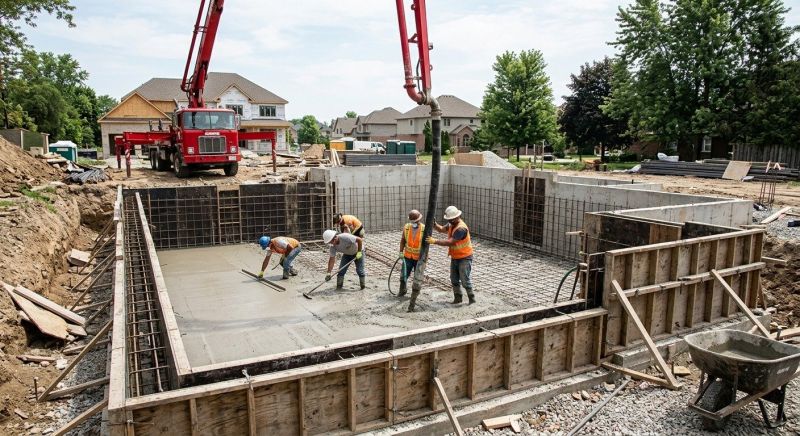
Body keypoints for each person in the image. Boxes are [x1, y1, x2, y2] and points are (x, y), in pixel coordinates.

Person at [426, 205, 475, 305]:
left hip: (465, 257)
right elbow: (441, 229)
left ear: (457, 217)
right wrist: (434, 224)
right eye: (449, 220)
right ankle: (458, 298)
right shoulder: (452, 223)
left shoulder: (461, 229)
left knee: (465, 280)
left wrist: (435, 241)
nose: (450, 221)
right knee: (454, 279)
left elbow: (450, 242)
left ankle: (472, 299)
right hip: (455, 256)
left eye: (451, 219)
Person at [397, 209, 424, 297]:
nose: (414, 222)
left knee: (417, 277)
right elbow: (403, 240)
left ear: (419, 219)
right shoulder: (407, 227)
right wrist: (401, 252)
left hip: (419, 258)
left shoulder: (424, 229)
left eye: (415, 221)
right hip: (407, 257)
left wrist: (424, 258)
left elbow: (426, 246)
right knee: (403, 275)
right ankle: (402, 290)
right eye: (412, 221)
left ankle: (415, 294)